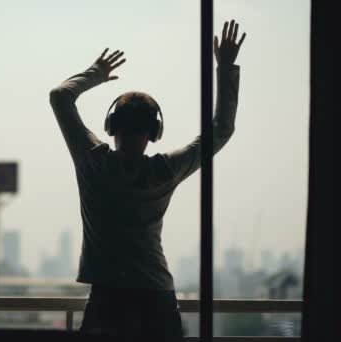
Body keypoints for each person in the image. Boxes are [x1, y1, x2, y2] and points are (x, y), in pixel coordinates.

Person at [49, 19, 246, 342]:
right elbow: (221, 129)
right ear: (155, 133)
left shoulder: (92, 162)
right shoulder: (166, 170)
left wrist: (96, 73)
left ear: (111, 125)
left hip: (108, 296)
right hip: (156, 295)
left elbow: (60, 96)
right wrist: (225, 67)